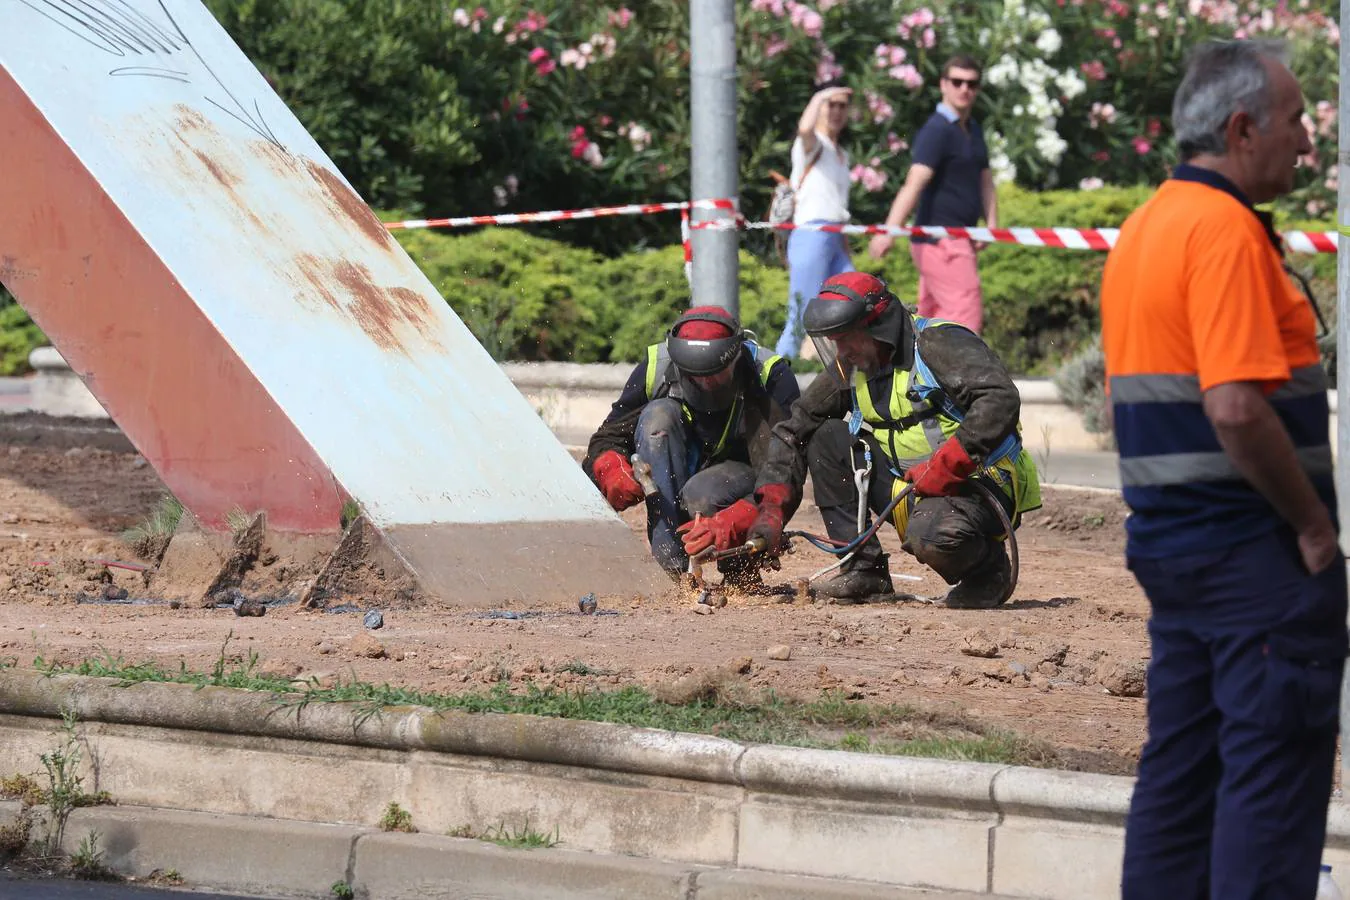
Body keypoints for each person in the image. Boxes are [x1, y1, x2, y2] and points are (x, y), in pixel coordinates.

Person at [1100, 40, 1345, 899]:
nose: (1308, 141)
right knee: (1268, 793)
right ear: (1242, 130)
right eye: (1296, 121)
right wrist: (1315, 529)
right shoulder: (1226, 231)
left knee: (1181, 781)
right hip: (1255, 558)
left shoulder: (1146, 228)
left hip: (1175, 553)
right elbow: (1237, 408)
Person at [744, 272, 1040, 607]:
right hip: (914, 487)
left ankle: (988, 572)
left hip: (980, 483)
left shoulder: (936, 343)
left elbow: (999, 398)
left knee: (930, 536)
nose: (841, 352)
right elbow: (793, 428)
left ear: (877, 326)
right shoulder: (851, 365)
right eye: (834, 342)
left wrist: (950, 462)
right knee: (826, 437)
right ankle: (864, 571)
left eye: (846, 339)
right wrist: (771, 507)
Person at [584, 306, 801, 587]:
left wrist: (743, 518)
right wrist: (610, 468)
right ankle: (672, 573)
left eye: (715, 375)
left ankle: (740, 572)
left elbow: (788, 466)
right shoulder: (656, 367)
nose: (706, 383)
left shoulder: (770, 375)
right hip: (677, 466)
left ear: (736, 355)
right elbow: (607, 437)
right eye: (695, 376)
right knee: (657, 417)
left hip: (741, 474)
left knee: (702, 494)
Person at [867, 55, 996, 334]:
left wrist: (992, 225)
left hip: (956, 239)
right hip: (941, 242)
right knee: (964, 319)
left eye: (972, 84)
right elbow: (914, 184)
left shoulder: (972, 129)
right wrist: (888, 231)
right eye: (957, 82)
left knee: (931, 323)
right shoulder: (937, 130)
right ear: (943, 85)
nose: (965, 89)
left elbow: (985, 180)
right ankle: (960, 376)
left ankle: (922, 377)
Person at [776, 80, 856, 359]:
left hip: (835, 236)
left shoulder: (840, 153)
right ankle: (780, 368)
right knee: (801, 311)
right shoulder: (811, 144)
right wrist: (822, 93)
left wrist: (844, 245)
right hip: (811, 232)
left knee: (849, 303)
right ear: (819, 107)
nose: (835, 111)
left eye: (841, 106)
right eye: (830, 105)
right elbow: (804, 129)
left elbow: (838, 206)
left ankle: (829, 364)